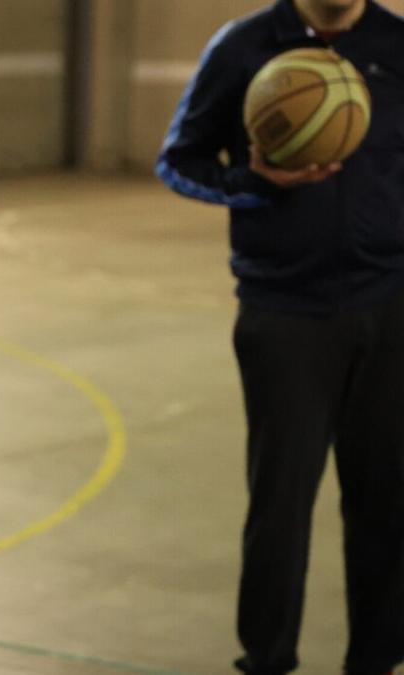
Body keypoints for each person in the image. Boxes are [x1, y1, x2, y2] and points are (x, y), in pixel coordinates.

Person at [156, 1, 404, 673]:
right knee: (281, 505)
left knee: (386, 499)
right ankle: (266, 658)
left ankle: (378, 659)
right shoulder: (242, 46)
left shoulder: (395, 43)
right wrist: (253, 182)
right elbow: (178, 160)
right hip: (284, 311)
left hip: (389, 306)